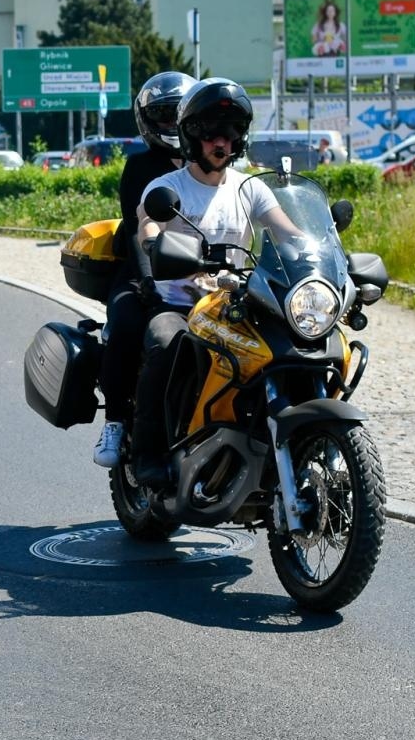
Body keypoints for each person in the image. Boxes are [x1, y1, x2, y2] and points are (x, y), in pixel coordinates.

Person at [128, 78, 299, 488]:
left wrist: (320, 253)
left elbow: (288, 232)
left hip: (239, 304)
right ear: (192, 137)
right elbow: (148, 225)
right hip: (181, 305)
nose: (220, 143)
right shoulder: (167, 187)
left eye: (229, 134)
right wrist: (156, 244)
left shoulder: (249, 187)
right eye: (210, 134)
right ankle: (147, 452)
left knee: (293, 346)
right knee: (166, 343)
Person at [91, 71, 197, 468]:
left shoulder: (211, 161)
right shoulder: (140, 167)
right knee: (127, 325)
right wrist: (148, 281)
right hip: (141, 273)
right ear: (148, 120)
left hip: (203, 274)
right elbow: (138, 230)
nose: (171, 125)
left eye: (179, 116)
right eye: (163, 116)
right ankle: (116, 420)